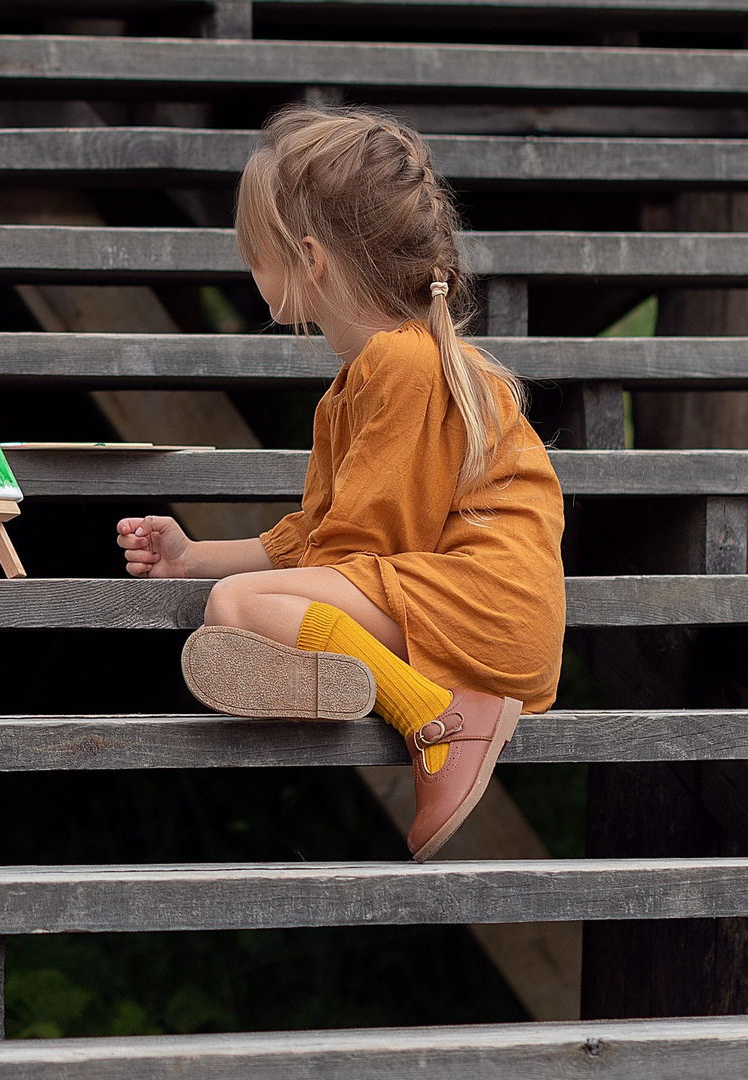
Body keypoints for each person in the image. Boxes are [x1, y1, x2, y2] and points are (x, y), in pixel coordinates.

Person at [117, 103, 564, 861]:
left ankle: (438, 720)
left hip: (484, 613)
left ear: (311, 258)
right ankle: (333, 670)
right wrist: (194, 558)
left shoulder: (402, 363)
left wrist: (250, 599)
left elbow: (359, 545)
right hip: (460, 605)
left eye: (256, 252)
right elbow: (317, 534)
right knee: (231, 600)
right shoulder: (357, 384)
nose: (248, 270)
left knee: (237, 608)